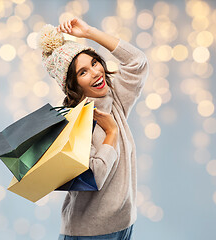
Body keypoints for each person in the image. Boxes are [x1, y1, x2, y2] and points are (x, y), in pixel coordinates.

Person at [38, 17, 149, 240]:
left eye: (94, 62)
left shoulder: (113, 96)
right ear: (73, 85)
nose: (96, 73)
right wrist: (111, 133)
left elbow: (138, 62)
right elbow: (93, 178)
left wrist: (90, 32)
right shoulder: (74, 124)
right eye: (83, 72)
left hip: (124, 225)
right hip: (90, 233)